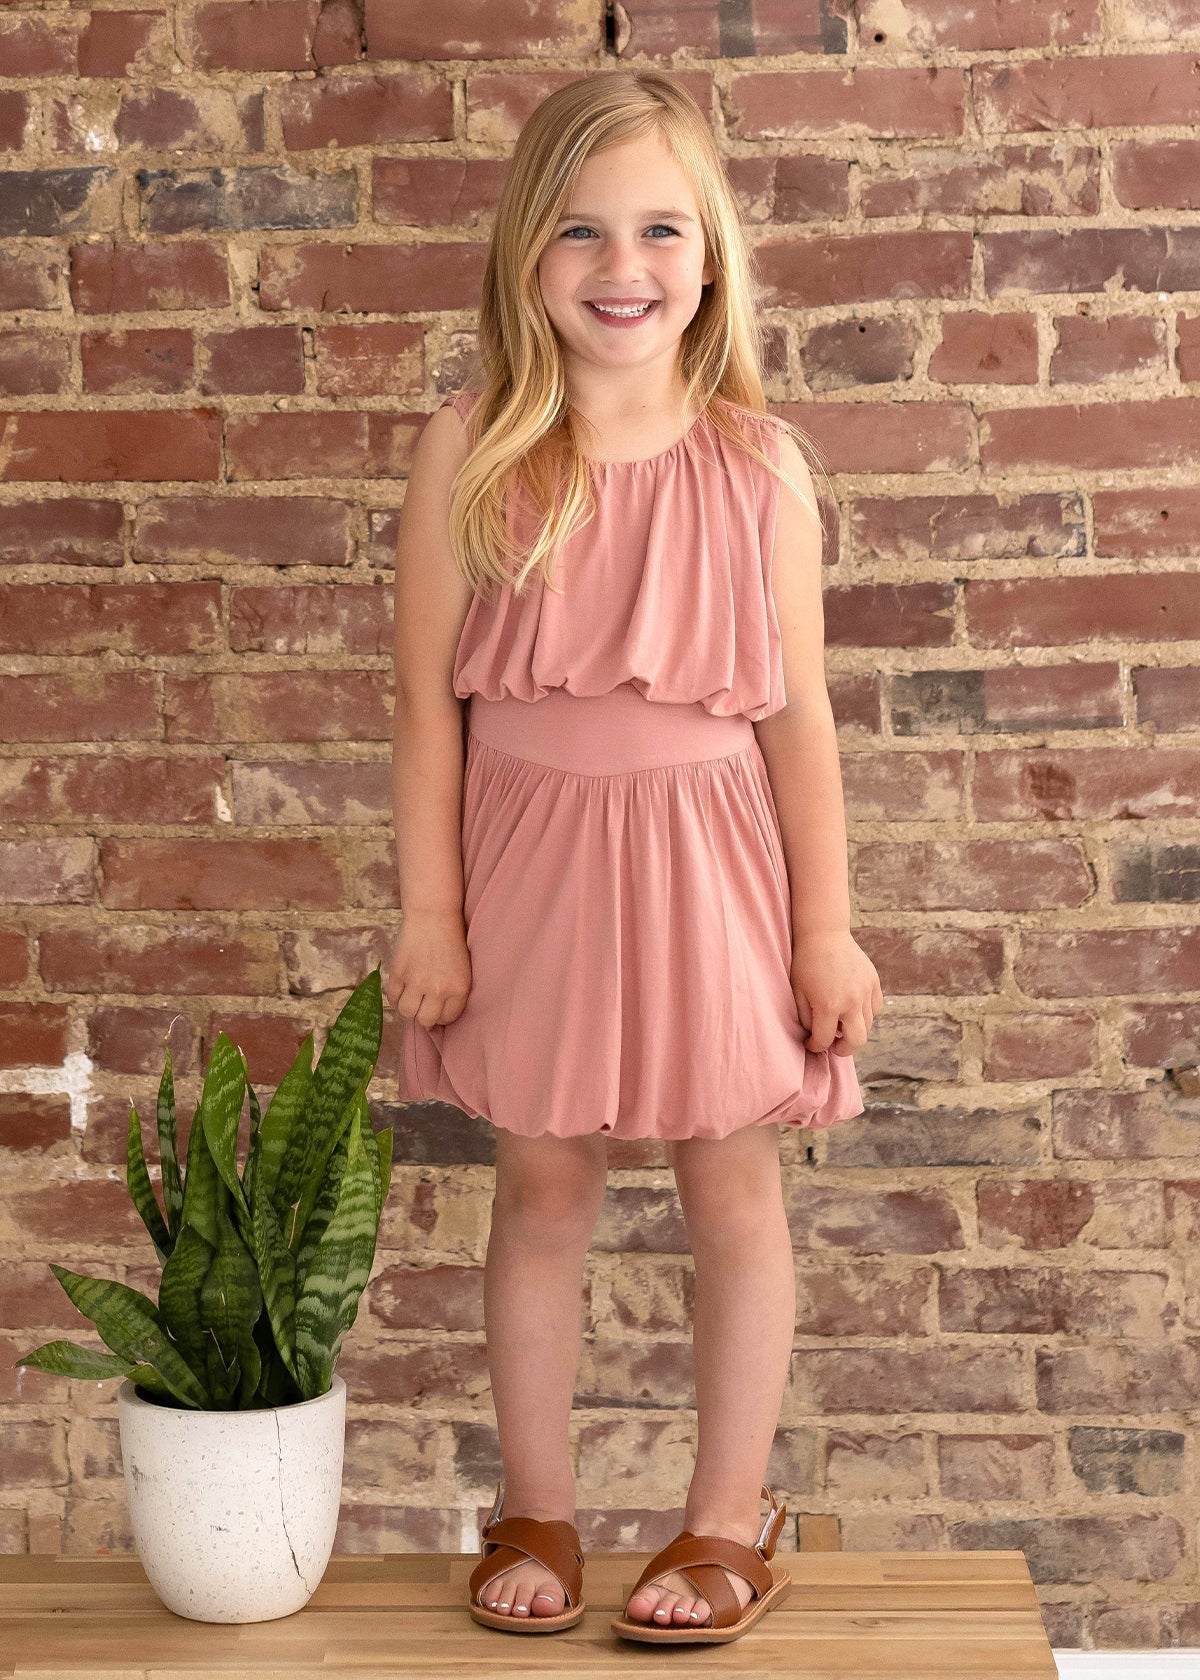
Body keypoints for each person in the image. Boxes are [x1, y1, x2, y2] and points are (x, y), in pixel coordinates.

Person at [386, 68, 883, 1646]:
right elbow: (426, 707)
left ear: (713, 253)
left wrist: (825, 929)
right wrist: (430, 911)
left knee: (729, 1177)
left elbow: (800, 720)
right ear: (526, 253)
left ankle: (727, 1519)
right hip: (530, 863)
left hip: (714, 865)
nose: (624, 265)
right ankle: (537, 1503)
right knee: (542, 1180)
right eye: (583, 230)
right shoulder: (470, 451)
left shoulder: (760, 466)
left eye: (662, 228)